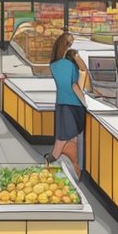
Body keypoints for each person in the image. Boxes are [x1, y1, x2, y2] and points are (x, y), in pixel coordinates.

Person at [46, 32, 88, 168]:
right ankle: (72, 164)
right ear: (67, 46)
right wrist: (85, 102)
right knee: (72, 137)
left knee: (62, 135)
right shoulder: (69, 64)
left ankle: (53, 158)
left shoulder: (53, 65)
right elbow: (75, 84)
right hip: (74, 104)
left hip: (61, 104)